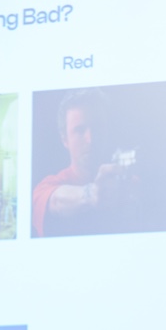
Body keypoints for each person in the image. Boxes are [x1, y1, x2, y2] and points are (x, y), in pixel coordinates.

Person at [32, 89, 138, 237]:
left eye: (98, 127)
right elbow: (55, 201)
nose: (90, 139)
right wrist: (91, 195)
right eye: (79, 130)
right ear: (64, 139)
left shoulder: (129, 186)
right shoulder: (46, 187)